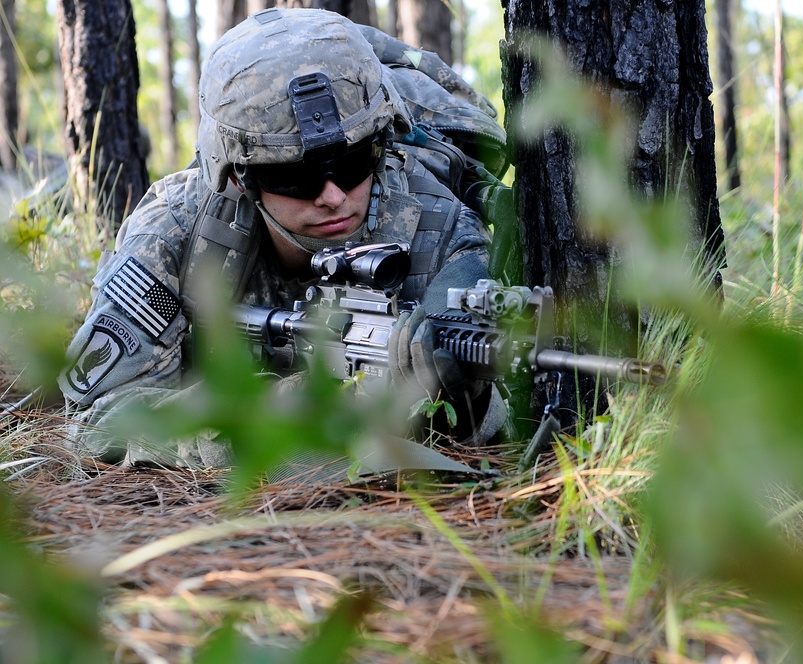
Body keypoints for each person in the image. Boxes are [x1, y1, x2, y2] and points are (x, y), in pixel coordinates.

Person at [57, 8, 500, 469]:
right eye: (296, 176)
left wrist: (464, 397)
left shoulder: (440, 229)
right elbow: (95, 421)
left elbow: (502, 426)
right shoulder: (177, 232)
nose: (332, 197)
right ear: (237, 178)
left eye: (353, 164)